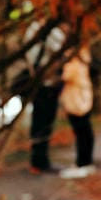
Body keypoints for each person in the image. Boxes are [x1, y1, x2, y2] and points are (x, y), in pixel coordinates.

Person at [26, 23, 65, 174]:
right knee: (43, 121)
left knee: (40, 121)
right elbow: (59, 49)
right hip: (46, 83)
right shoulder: (45, 30)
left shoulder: (32, 30)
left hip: (41, 81)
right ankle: (40, 161)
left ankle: (39, 160)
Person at [59, 44, 95, 179]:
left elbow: (68, 74)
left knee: (82, 130)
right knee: (84, 130)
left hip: (77, 98)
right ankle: (84, 162)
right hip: (80, 96)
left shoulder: (76, 57)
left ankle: (84, 162)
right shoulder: (81, 55)